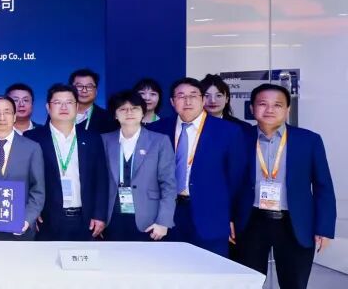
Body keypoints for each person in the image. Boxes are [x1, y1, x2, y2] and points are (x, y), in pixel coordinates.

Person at [237, 84, 335, 289]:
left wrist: (323, 227)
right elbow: (230, 182)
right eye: (262, 104)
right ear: (252, 108)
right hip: (251, 222)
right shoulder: (240, 138)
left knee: (294, 288)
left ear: (287, 109)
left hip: (294, 223)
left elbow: (323, 185)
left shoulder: (308, 140)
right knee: (247, 286)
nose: (269, 109)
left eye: (277, 104)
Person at [148, 77, 246, 257]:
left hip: (210, 216)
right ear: (172, 102)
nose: (187, 101)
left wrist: (232, 216)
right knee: (168, 267)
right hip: (166, 215)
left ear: (202, 100)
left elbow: (236, 179)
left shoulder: (228, 131)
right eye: (181, 96)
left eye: (193, 95)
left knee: (209, 270)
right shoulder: (156, 129)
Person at [25, 84, 108, 241]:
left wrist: (99, 215)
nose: (64, 107)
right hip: (45, 219)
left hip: (85, 219)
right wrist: (30, 212)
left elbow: (101, 179)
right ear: (48, 107)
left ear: (76, 107)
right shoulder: (32, 138)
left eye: (69, 102)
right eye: (57, 102)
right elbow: (24, 178)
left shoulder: (92, 138)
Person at [101, 91, 176, 242]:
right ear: (115, 115)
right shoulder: (104, 140)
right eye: (123, 109)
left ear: (142, 112)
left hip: (149, 218)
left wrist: (164, 221)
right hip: (111, 217)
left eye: (135, 108)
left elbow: (168, 184)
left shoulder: (159, 141)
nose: (129, 112)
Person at [0, 95, 45, 240]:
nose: (2, 117)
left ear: (14, 116)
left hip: (21, 229)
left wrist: (27, 219)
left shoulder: (32, 148)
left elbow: (38, 190)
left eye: (7, 112)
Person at [70, 68, 116, 133]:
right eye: (79, 86)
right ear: (70, 89)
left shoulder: (108, 118)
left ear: (96, 91)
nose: (84, 90)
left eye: (89, 86)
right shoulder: (59, 114)